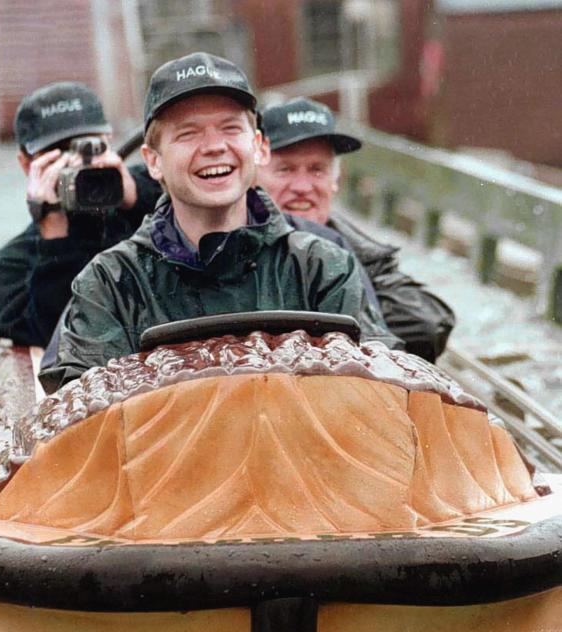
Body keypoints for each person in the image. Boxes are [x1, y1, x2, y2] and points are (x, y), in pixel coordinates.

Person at [39, 53, 397, 394]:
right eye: (188, 133)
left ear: (257, 146)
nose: (214, 146)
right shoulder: (110, 282)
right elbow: (84, 425)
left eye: (230, 128)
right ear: (153, 161)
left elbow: (378, 390)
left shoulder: (324, 266)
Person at [257, 97, 455, 362]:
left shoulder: (358, 249)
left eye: (317, 170)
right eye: (285, 170)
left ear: (336, 180)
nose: (303, 186)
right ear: (253, 177)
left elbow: (427, 325)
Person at [0, 81, 162, 347]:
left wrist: (135, 196)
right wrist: (53, 231)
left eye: (88, 146)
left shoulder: (161, 186)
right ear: (26, 164)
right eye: (57, 154)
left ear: (109, 139)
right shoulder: (12, 266)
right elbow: (59, 342)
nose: (76, 163)